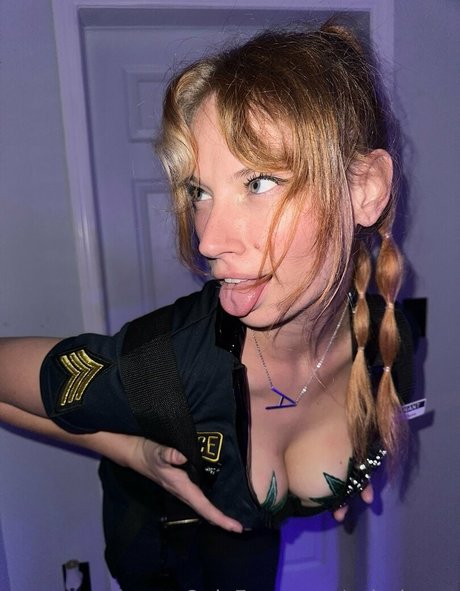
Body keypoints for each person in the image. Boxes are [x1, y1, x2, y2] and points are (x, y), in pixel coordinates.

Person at [0, 21, 414, 591]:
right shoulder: (164, 369)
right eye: (199, 192)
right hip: (158, 552)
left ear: (364, 190)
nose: (209, 240)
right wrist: (132, 451)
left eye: (258, 182)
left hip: (249, 559)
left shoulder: (389, 337)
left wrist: (353, 471)